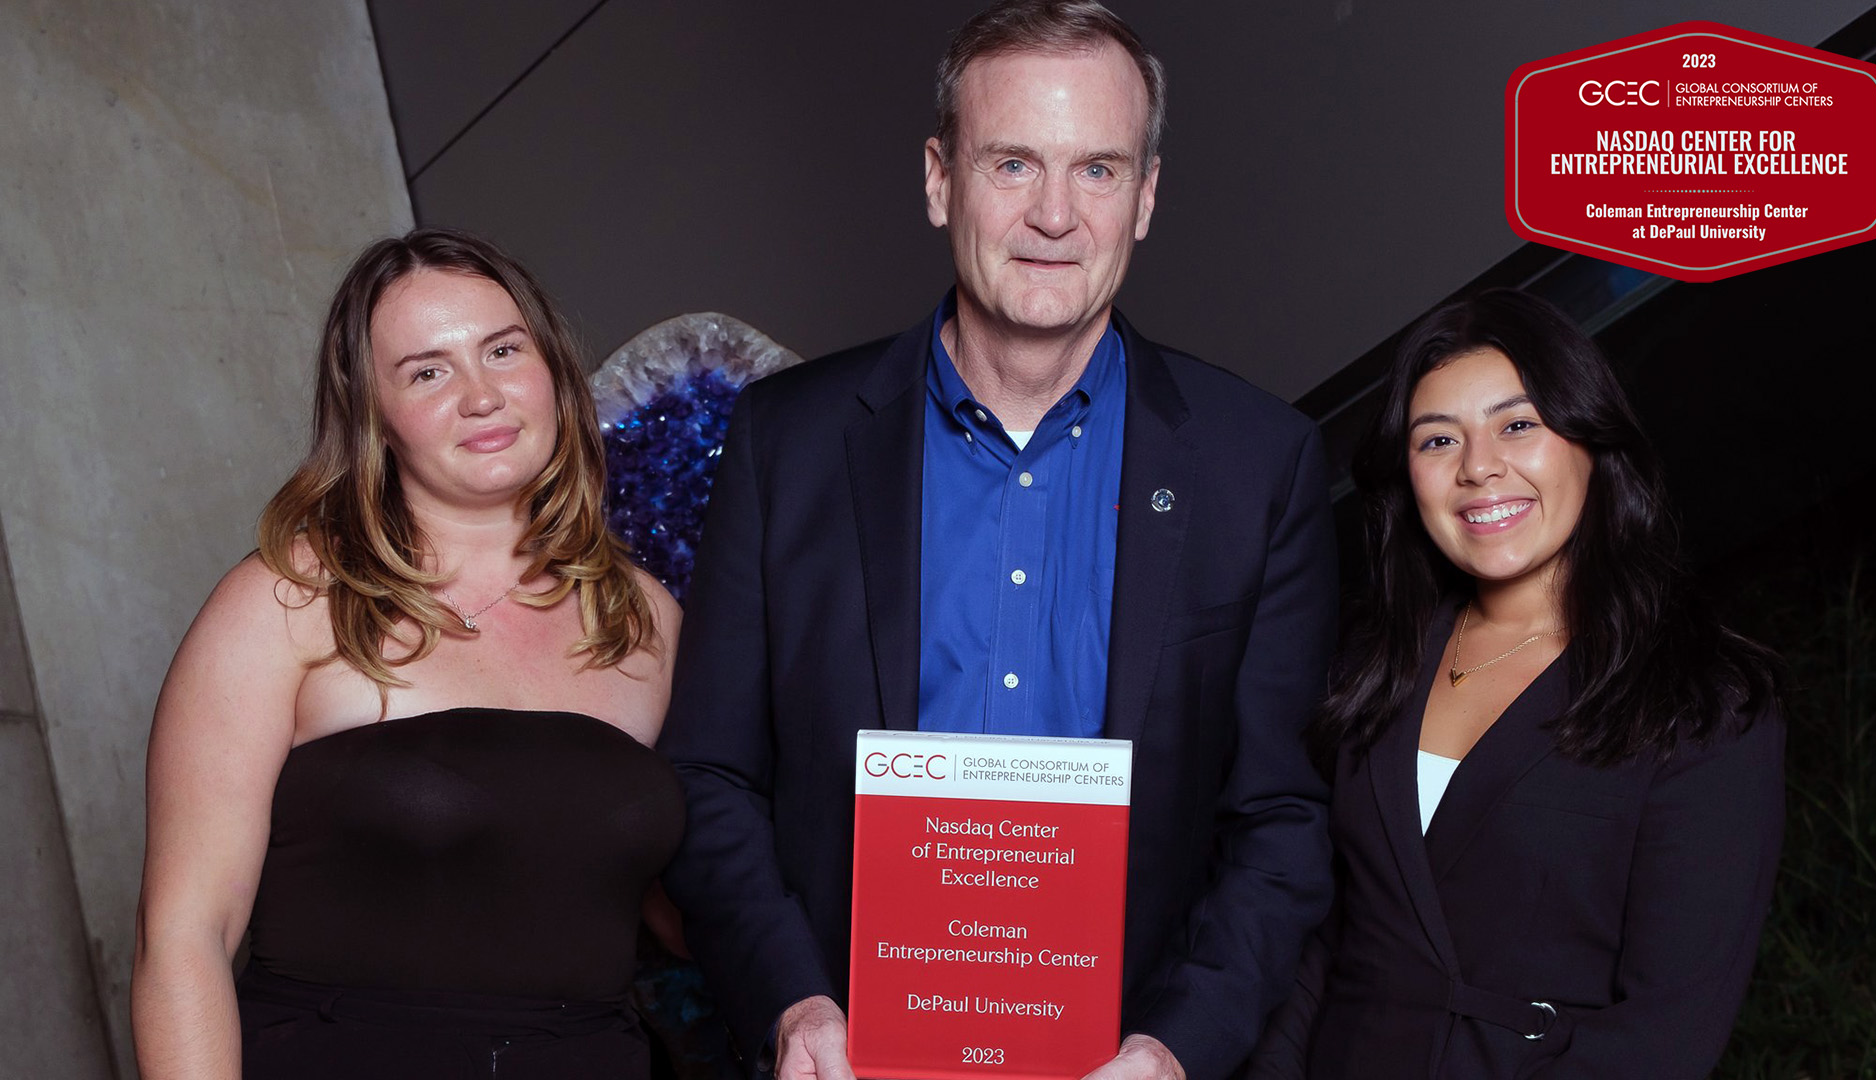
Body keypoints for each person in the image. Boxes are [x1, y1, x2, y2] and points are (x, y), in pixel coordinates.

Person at [660, 3, 1337, 1079]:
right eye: (1013, 163)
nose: (1055, 215)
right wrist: (792, 1006)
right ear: (940, 180)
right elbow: (706, 773)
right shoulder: (786, 442)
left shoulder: (1258, 468)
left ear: (1148, 196)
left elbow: (1281, 822)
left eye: (1099, 170)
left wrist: (1176, 1050)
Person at [130, 228, 684, 1079]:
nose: (482, 395)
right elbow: (183, 941)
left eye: (503, 350)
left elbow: (684, 904)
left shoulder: (643, 618)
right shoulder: (288, 600)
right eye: (428, 371)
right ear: (374, 417)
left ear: (554, 372)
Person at [1262, 288, 1784, 1077]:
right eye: (1438, 440)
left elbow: (1664, 1038)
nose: (1479, 468)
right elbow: (1323, 941)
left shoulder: (1704, 702)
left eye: (1517, 425)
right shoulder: (1373, 661)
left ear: (1590, 438)